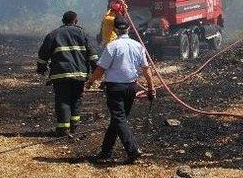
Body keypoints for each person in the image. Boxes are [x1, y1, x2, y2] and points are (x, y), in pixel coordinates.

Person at [85, 16, 156, 164]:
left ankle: (133, 150)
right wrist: (151, 88)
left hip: (115, 88)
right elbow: (147, 70)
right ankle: (106, 151)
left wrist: (90, 81)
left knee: (119, 119)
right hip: (131, 87)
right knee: (118, 120)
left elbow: (100, 69)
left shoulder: (112, 46)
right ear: (129, 28)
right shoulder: (138, 46)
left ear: (115, 30)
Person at [37, 11, 98, 136]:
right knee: (76, 99)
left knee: (63, 100)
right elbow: (93, 55)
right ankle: (74, 127)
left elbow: (43, 54)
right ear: (76, 21)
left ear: (63, 21)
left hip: (60, 75)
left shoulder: (53, 35)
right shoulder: (83, 34)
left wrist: (41, 68)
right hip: (80, 75)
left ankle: (63, 129)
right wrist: (96, 72)